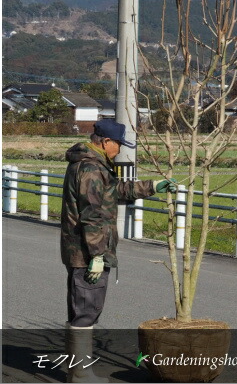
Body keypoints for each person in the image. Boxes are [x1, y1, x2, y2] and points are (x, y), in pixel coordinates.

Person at [61, 118, 176, 383]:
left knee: (82, 310)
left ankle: (76, 372)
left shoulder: (93, 164)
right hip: (86, 253)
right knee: (86, 311)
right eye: (118, 145)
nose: (120, 151)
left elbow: (114, 192)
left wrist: (153, 186)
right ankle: (80, 375)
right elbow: (92, 214)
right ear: (105, 141)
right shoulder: (90, 168)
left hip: (83, 250)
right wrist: (97, 255)